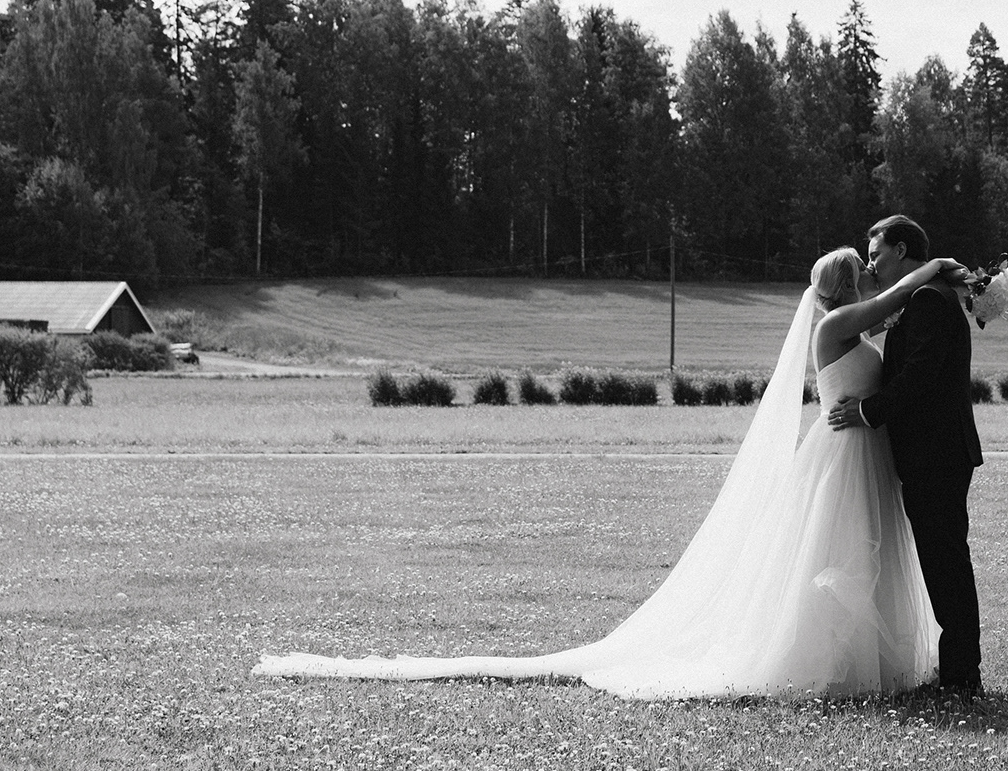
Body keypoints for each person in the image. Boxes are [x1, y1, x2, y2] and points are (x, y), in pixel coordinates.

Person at [252, 248, 966, 699]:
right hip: (842, 456)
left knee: (866, 559)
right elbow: (886, 305)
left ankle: (875, 663)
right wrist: (935, 272)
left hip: (863, 452)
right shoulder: (834, 326)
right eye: (865, 270)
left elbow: (891, 335)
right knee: (834, 560)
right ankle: (834, 663)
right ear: (847, 286)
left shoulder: (859, 329)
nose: (875, 274)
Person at [826, 215, 985, 694]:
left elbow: (917, 379)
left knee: (946, 563)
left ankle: (960, 677)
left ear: (899, 249)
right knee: (942, 561)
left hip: (937, 454)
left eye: (875, 254)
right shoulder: (922, 298)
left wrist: (867, 411)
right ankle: (958, 670)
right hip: (931, 453)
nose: (872, 263)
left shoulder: (928, 301)